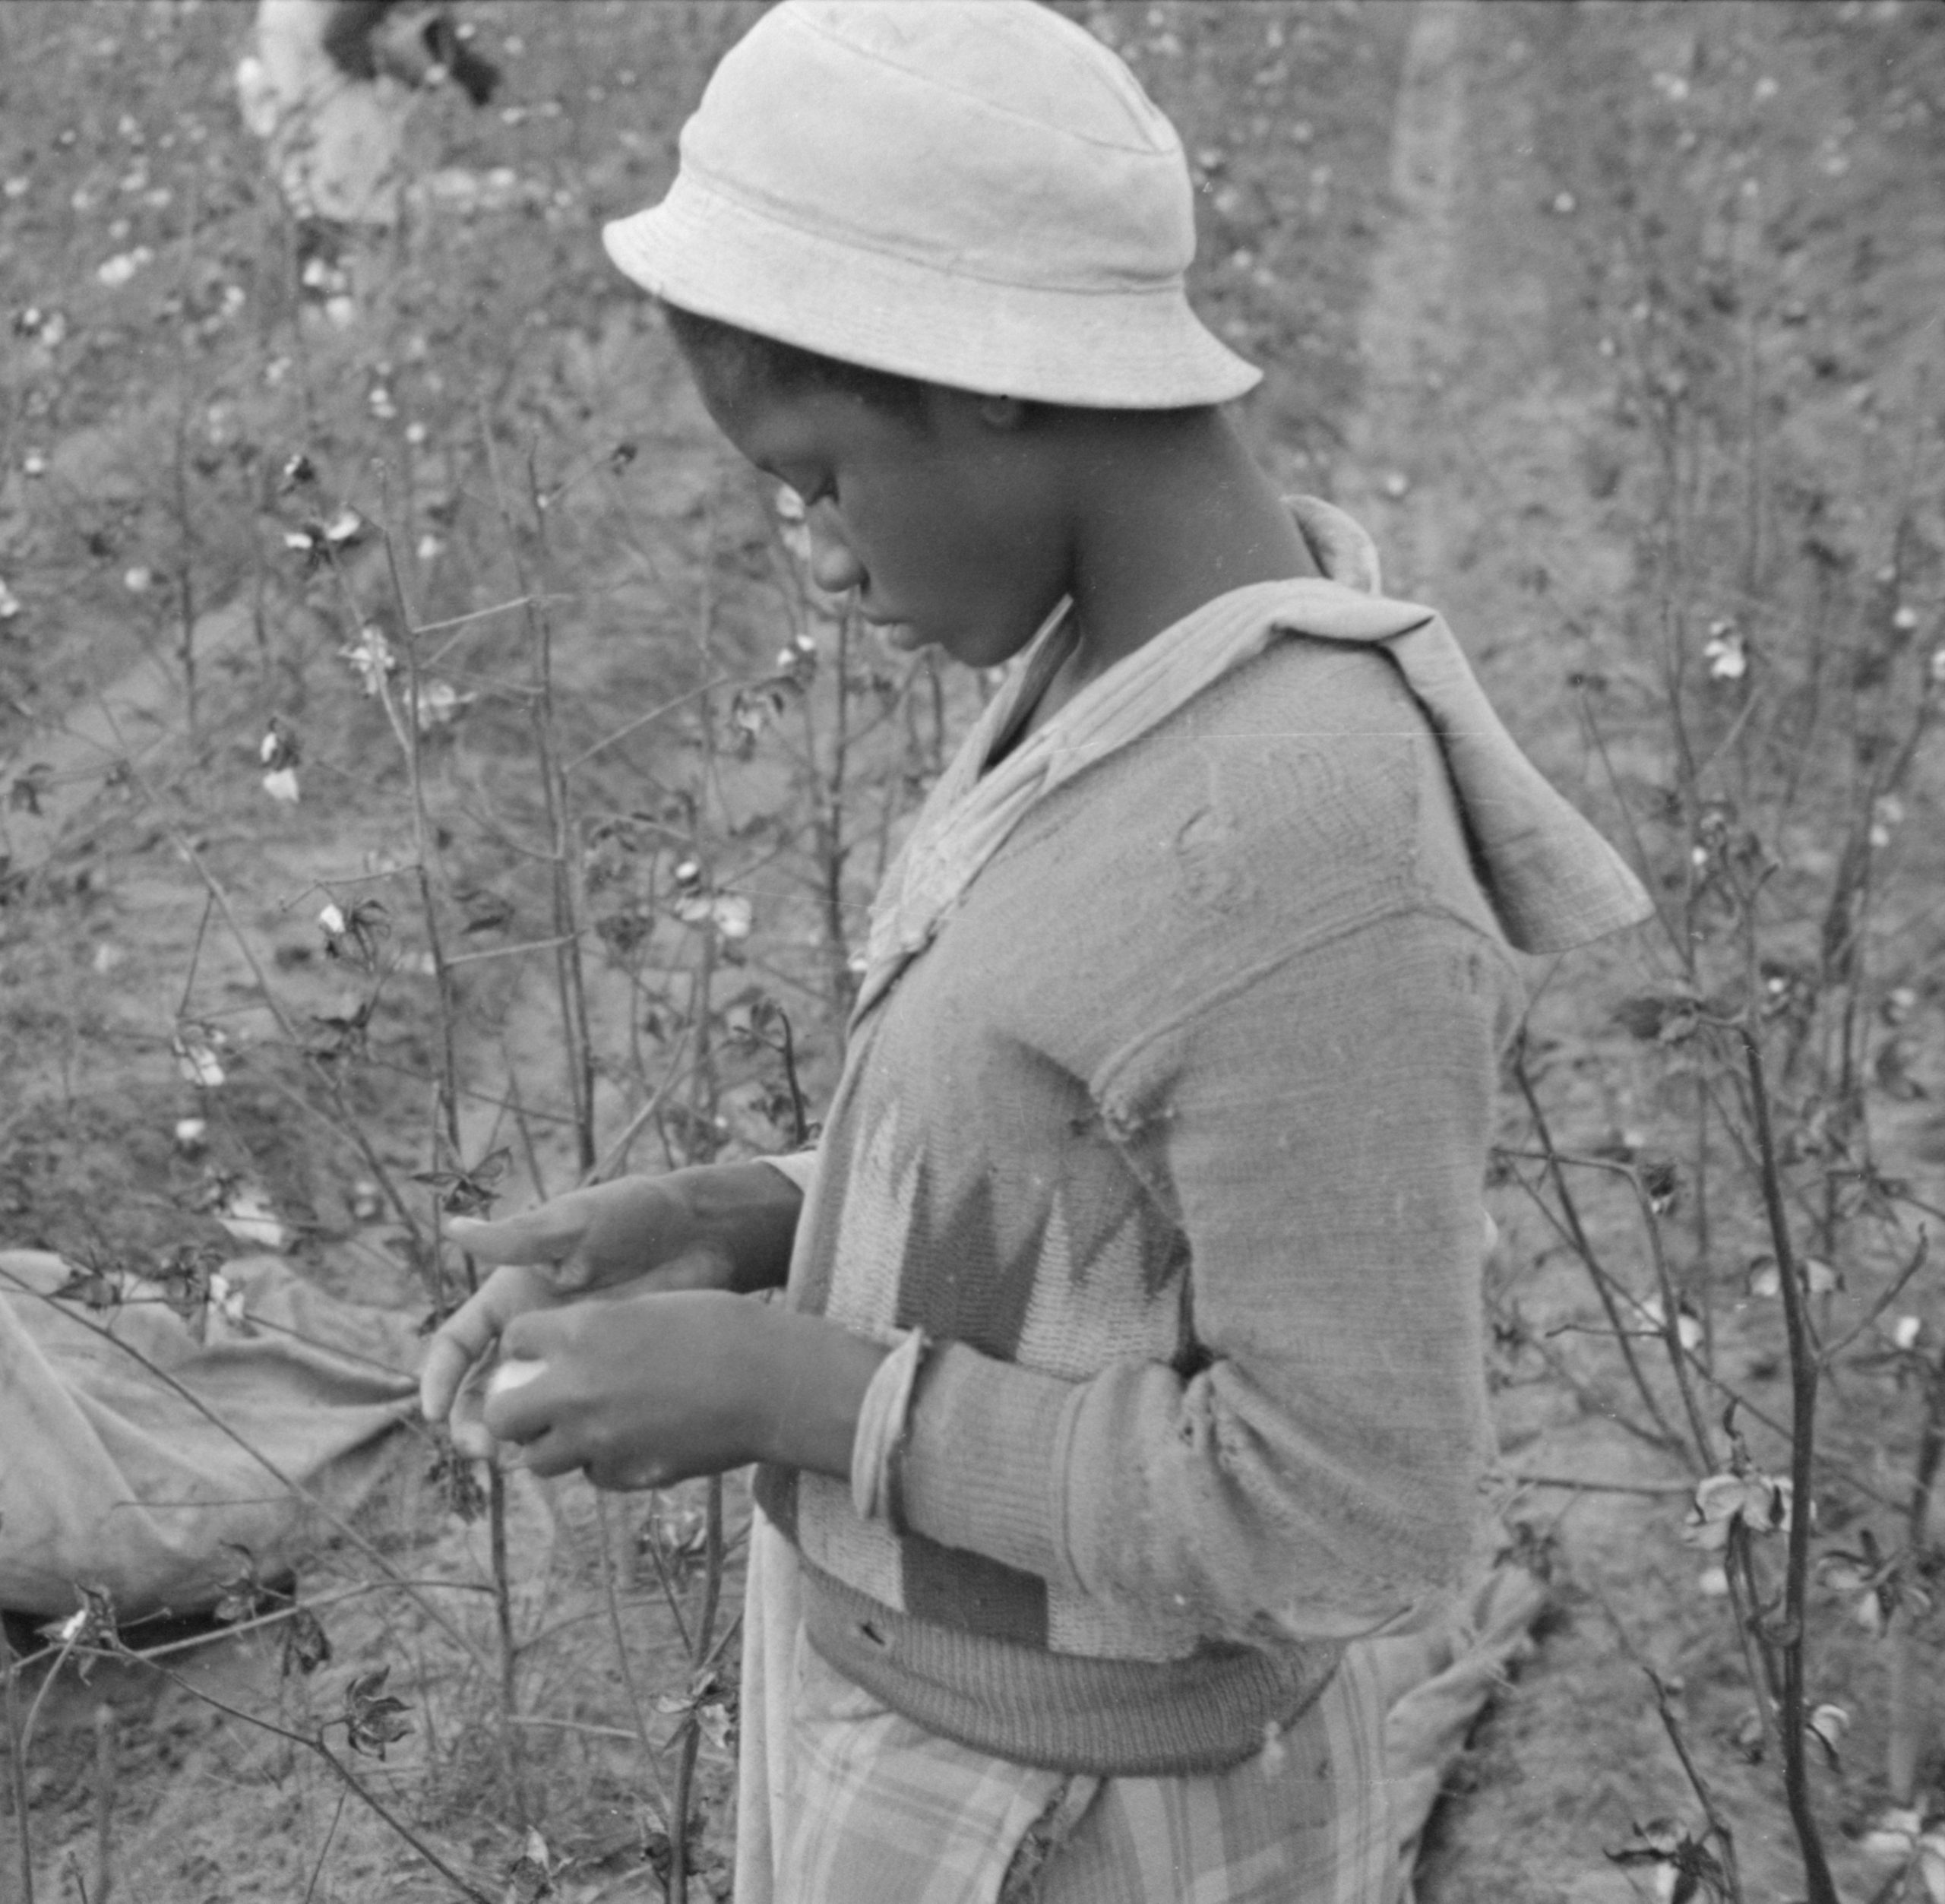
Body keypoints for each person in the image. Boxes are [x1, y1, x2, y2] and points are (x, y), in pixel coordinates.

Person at [419, 5, 1651, 1899]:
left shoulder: (1294, 841)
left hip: (1077, 1824)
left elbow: (1341, 1511)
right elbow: (1101, 1192)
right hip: (942, 1726)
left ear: (990, 378)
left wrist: (785, 1388)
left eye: (816, 477)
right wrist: (747, 1219)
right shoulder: (1115, 684)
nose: (814, 556)